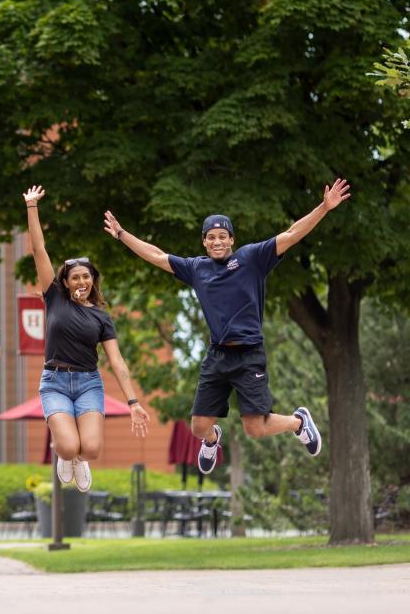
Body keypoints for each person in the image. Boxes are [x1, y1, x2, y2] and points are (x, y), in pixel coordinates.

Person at [103, 178, 352, 473]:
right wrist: (121, 234)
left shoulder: (252, 258)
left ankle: (298, 422)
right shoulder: (197, 268)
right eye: (211, 237)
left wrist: (324, 207)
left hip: (248, 356)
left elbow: (291, 233)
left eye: (223, 236)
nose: (217, 241)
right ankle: (212, 440)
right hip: (218, 355)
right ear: (204, 242)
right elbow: (156, 255)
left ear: (232, 239)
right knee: (197, 427)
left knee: (255, 429)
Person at [24, 186, 150, 495]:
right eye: (75, 277)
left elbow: (116, 361)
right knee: (67, 447)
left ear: (92, 280)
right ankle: (69, 458)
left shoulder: (101, 317)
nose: (82, 281)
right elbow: (39, 250)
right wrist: (31, 207)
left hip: (88, 383)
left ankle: (81, 460)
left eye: (86, 276)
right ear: (64, 283)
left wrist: (133, 401)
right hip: (54, 381)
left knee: (90, 449)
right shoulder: (54, 298)